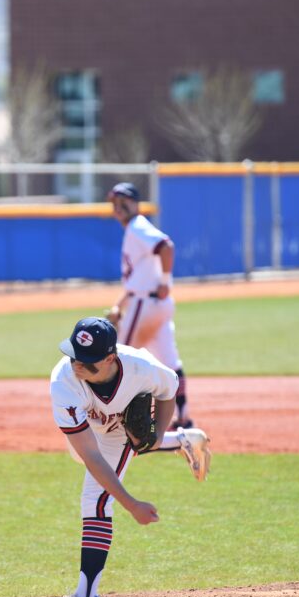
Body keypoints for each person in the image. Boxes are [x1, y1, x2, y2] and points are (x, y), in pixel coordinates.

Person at [38, 316, 211, 597]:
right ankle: (185, 440)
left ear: (110, 359)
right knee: (91, 464)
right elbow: (90, 455)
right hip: (89, 434)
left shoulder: (140, 366)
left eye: (88, 363)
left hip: (118, 433)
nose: (78, 365)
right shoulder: (64, 380)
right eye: (74, 356)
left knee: (95, 500)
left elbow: (169, 388)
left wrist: (157, 433)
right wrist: (131, 503)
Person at [105, 181, 195, 430]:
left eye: (124, 201)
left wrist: (166, 280)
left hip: (145, 305)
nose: (119, 206)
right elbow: (138, 280)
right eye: (115, 202)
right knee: (170, 364)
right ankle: (183, 419)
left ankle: (116, 419)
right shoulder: (135, 229)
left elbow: (166, 246)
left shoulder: (137, 226)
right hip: (157, 305)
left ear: (135, 204)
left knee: (117, 358)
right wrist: (118, 306)